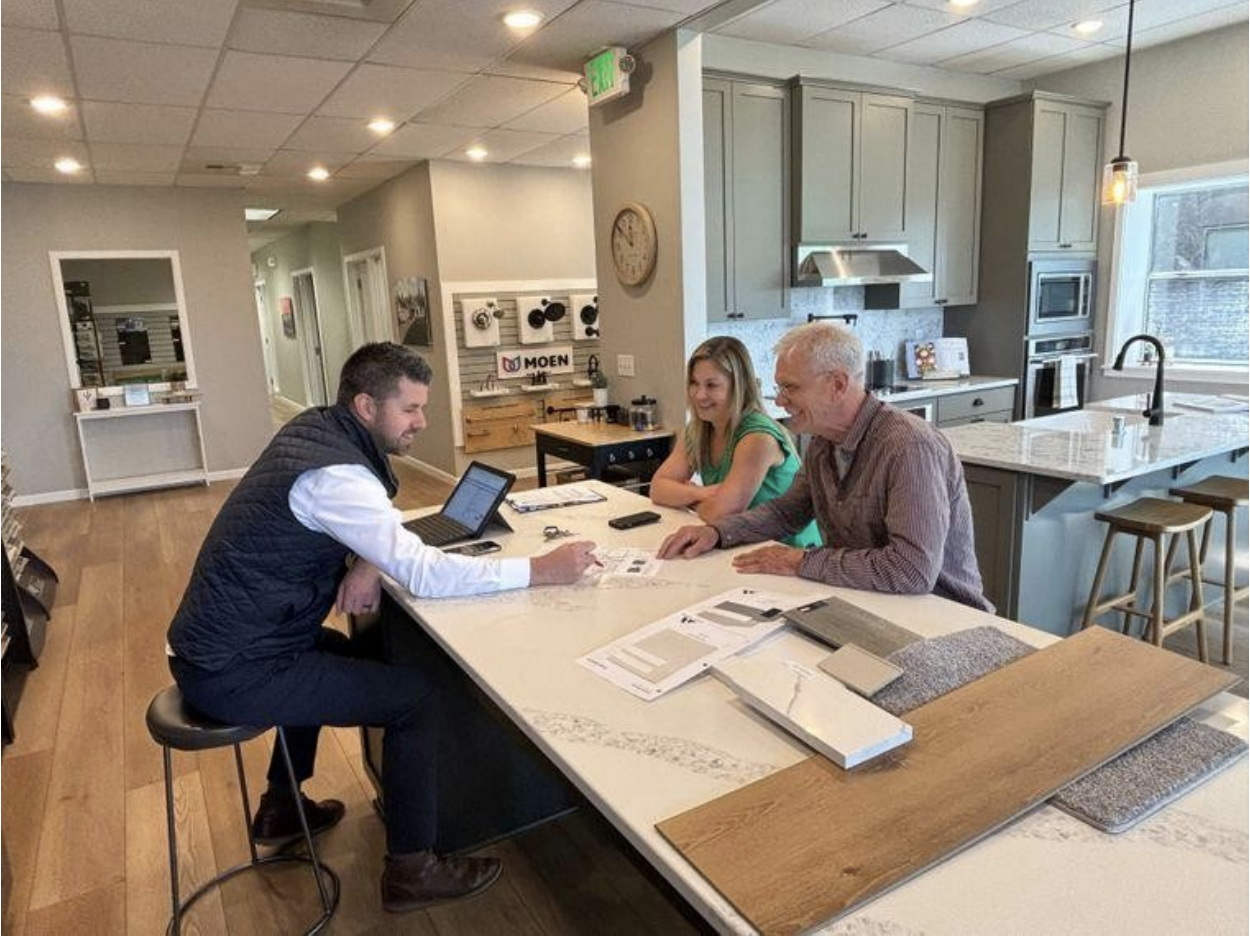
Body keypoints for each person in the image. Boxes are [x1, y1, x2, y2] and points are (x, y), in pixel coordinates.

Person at [166, 342, 598, 913]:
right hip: (230, 669)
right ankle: (412, 870)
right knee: (415, 702)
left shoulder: (318, 430)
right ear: (367, 405)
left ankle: (280, 804)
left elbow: (365, 516)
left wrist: (368, 556)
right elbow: (424, 572)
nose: (422, 421)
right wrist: (539, 570)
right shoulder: (338, 474)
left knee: (335, 652)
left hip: (219, 645)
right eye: (411, 410)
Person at [657, 323, 991, 612]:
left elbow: (910, 571)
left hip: (941, 615)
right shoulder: (822, 442)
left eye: (791, 387)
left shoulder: (908, 447)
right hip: (869, 603)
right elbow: (785, 513)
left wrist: (801, 561)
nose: (781, 400)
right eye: (780, 387)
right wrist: (717, 532)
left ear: (837, 385)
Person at [650, 336, 819, 548]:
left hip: (788, 551)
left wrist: (685, 497)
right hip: (739, 544)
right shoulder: (698, 430)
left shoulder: (757, 438)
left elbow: (719, 515)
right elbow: (657, 488)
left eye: (712, 385)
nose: (700, 395)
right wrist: (702, 493)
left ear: (738, 387)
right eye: (694, 383)